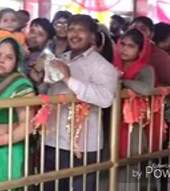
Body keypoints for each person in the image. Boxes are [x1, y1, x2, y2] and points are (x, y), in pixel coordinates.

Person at [43, 14, 118, 191]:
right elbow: (50, 91)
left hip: (83, 145)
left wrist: (69, 79)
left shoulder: (102, 66)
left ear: (92, 36)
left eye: (80, 30)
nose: (74, 34)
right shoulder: (62, 58)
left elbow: (106, 98)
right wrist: (41, 79)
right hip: (53, 139)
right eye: (71, 29)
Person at [0, 37, 35, 184]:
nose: (1, 60)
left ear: (16, 61)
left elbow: (28, 125)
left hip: (8, 149)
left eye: (9, 57)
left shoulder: (21, 85)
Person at [113, 28, 155, 190]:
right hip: (112, 121)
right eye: (122, 44)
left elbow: (146, 89)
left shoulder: (145, 69)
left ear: (140, 50)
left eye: (131, 46)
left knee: (130, 163)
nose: (124, 49)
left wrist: (122, 81)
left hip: (133, 126)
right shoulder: (113, 66)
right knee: (111, 163)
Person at [131, 16, 170, 86]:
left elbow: (169, 85)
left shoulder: (160, 56)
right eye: (134, 29)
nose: (137, 32)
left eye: (143, 29)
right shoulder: (121, 51)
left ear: (151, 34)